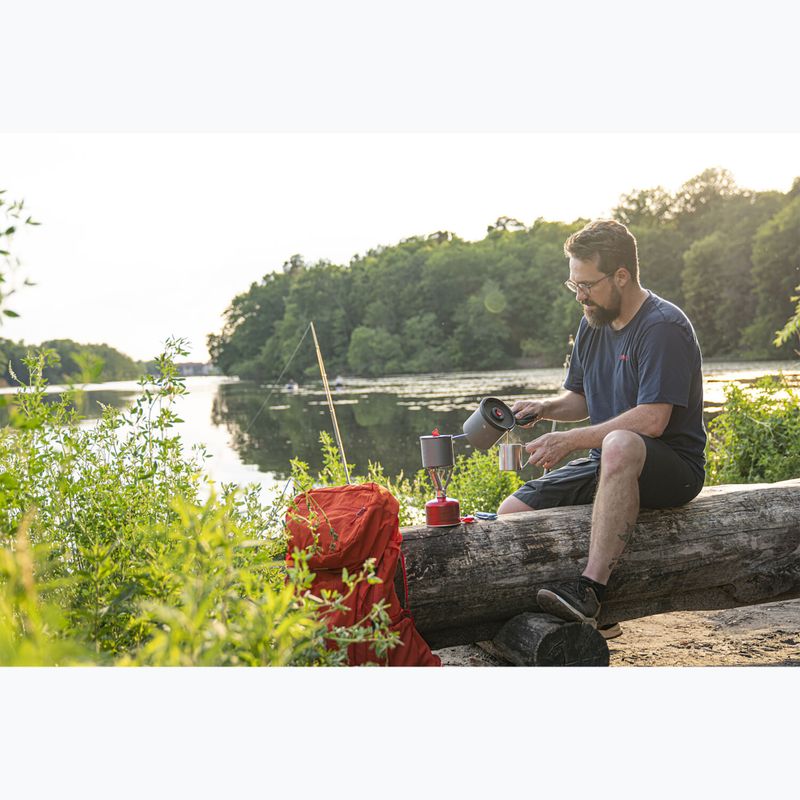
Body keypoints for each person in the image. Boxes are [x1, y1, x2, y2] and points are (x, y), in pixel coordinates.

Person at [498, 219, 706, 634]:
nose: (580, 296)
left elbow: (653, 418)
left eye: (587, 285)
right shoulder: (592, 322)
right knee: (511, 513)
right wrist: (544, 408)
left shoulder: (661, 326)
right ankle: (560, 615)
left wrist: (570, 440)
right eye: (573, 285)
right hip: (608, 462)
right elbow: (580, 399)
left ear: (622, 276)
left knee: (620, 444)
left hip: (673, 468)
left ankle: (591, 594)